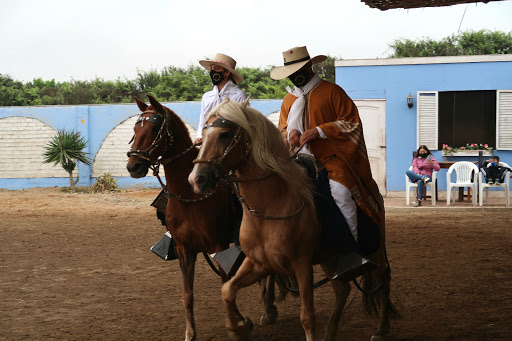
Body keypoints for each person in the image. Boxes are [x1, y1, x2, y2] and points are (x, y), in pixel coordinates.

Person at [271, 46, 383, 280]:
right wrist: (288, 135)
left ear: (309, 66)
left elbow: (351, 123)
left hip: (333, 159)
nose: (295, 74)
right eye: (291, 71)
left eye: (299, 69)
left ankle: (349, 253)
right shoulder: (288, 100)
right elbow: (282, 127)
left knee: (341, 193)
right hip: (298, 161)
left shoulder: (332, 92)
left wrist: (320, 131)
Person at [194, 53, 247, 144]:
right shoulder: (207, 96)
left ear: (227, 72)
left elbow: (243, 123)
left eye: (217, 69)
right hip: (208, 140)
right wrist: (199, 136)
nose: (213, 72)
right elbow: (203, 119)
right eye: (212, 69)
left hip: (229, 142)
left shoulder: (238, 95)